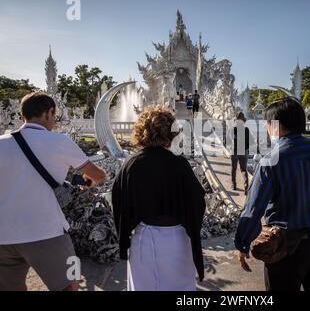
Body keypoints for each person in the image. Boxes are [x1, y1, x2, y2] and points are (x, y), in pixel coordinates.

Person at [234, 98, 310, 291]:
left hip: (286, 248)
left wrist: (243, 243)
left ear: (275, 126)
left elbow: (253, 209)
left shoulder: (271, 160)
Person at [0, 92, 106, 291]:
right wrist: (87, 183)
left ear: (22, 116)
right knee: (71, 281)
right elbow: (99, 175)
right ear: (49, 113)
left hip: (3, 235)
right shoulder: (59, 141)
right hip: (46, 230)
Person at [112, 106, 206, 291]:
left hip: (144, 236)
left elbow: (119, 202)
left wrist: (126, 235)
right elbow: (198, 201)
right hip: (176, 237)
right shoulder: (179, 163)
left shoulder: (132, 163)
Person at [229, 112, 252, 194]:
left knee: (233, 168)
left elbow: (227, 141)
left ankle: (234, 185)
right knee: (243, 169)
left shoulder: (232, 129)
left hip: (234, 151)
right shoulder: (246, 130)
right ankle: (246, 186)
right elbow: (251, 142)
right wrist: (246, 149)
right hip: (243, 151)